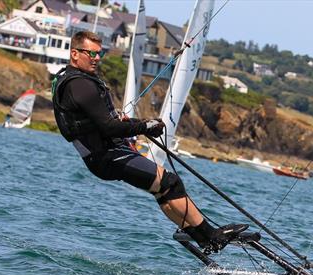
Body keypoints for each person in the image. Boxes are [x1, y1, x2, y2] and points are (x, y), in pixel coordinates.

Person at [52, 31, 247, 253]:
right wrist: (144, 126)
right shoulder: (80, 85)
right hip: (109, 156)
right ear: (75, 54)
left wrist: (137, 124)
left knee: (162, 189)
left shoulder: (72, 80)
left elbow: (100, 122)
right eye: (91, 54)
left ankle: (201, 237)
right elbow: (108, 127)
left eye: (100, 53)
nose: (96, 58)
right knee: (170, 182)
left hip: (103, 156)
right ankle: (210, 235)